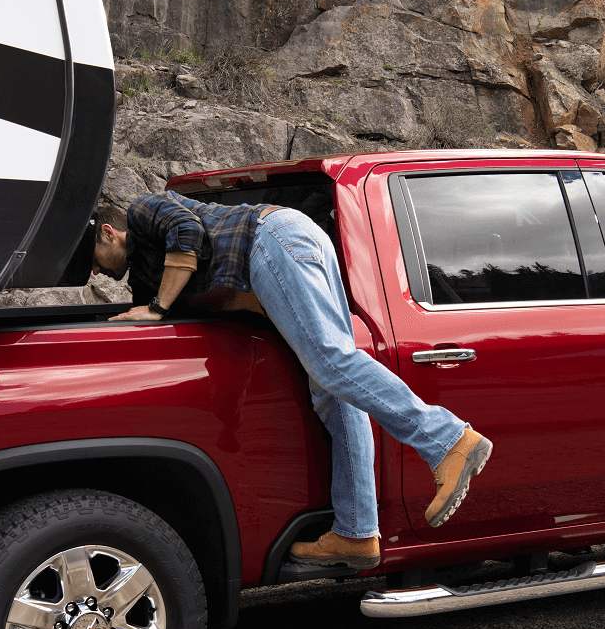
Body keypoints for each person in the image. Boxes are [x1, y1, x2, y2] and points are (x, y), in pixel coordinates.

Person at [94, 191, 492, 571]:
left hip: (273, 239)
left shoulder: (142, 212)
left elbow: (189, 232)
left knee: (332, 363)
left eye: (90, 258)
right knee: (333, 393)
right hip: (283, 251)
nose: (95, 271)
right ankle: (356, 533)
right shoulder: (148, 277)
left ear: (108, 233)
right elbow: (218, 303)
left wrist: (158, 307)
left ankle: (447, 439)